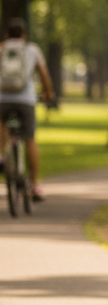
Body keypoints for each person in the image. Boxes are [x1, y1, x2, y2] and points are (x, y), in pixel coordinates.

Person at [0, 18, 55, 200]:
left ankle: (1, 155)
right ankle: (35, 185)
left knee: (2, 124)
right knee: (30, 139)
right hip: (26, 100)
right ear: (24, 34)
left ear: (7, 34)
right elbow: (44, 75)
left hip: (2, 99)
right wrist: (48, 93)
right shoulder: (32, 49)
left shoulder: (1, 48)